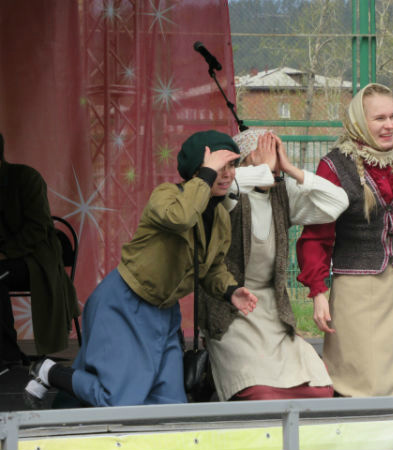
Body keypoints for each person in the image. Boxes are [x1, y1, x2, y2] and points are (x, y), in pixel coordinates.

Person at [24, 130, 258, 407]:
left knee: (169, 405)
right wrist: (207, 176)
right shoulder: (167, 195)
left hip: (164, 313)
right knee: (118, 399)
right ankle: (49, 371)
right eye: (220, 166)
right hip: (125, 303)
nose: (228, 174)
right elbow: (181, 217)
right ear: (199, 169)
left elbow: (213, 266)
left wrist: (230, 290)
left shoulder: (219, 216)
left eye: (232, 165)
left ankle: (66, 390)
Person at [296, 83, 393, 397]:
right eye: (379, 118)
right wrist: (318, 292)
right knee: (363, 380)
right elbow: (316, 236)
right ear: (360, 122)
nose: (389, 125)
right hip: (358, 290)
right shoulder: (334, 166)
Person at [200, 128, 349, 401]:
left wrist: (290, 169)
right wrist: (262, 170)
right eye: (266, 152)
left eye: (277, 153)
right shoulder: (228, 194)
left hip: (273, 311)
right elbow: (225, 185)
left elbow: (338, 202)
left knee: (318, 390)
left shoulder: (282, 193)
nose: (274, 163)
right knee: (260, 393)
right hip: (231, 310)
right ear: (244, 161)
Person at [0, 132, 78, 372]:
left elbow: (37, 229)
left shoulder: (26, 178)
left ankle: (8, 356)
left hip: (34, 259)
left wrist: (5, 253)